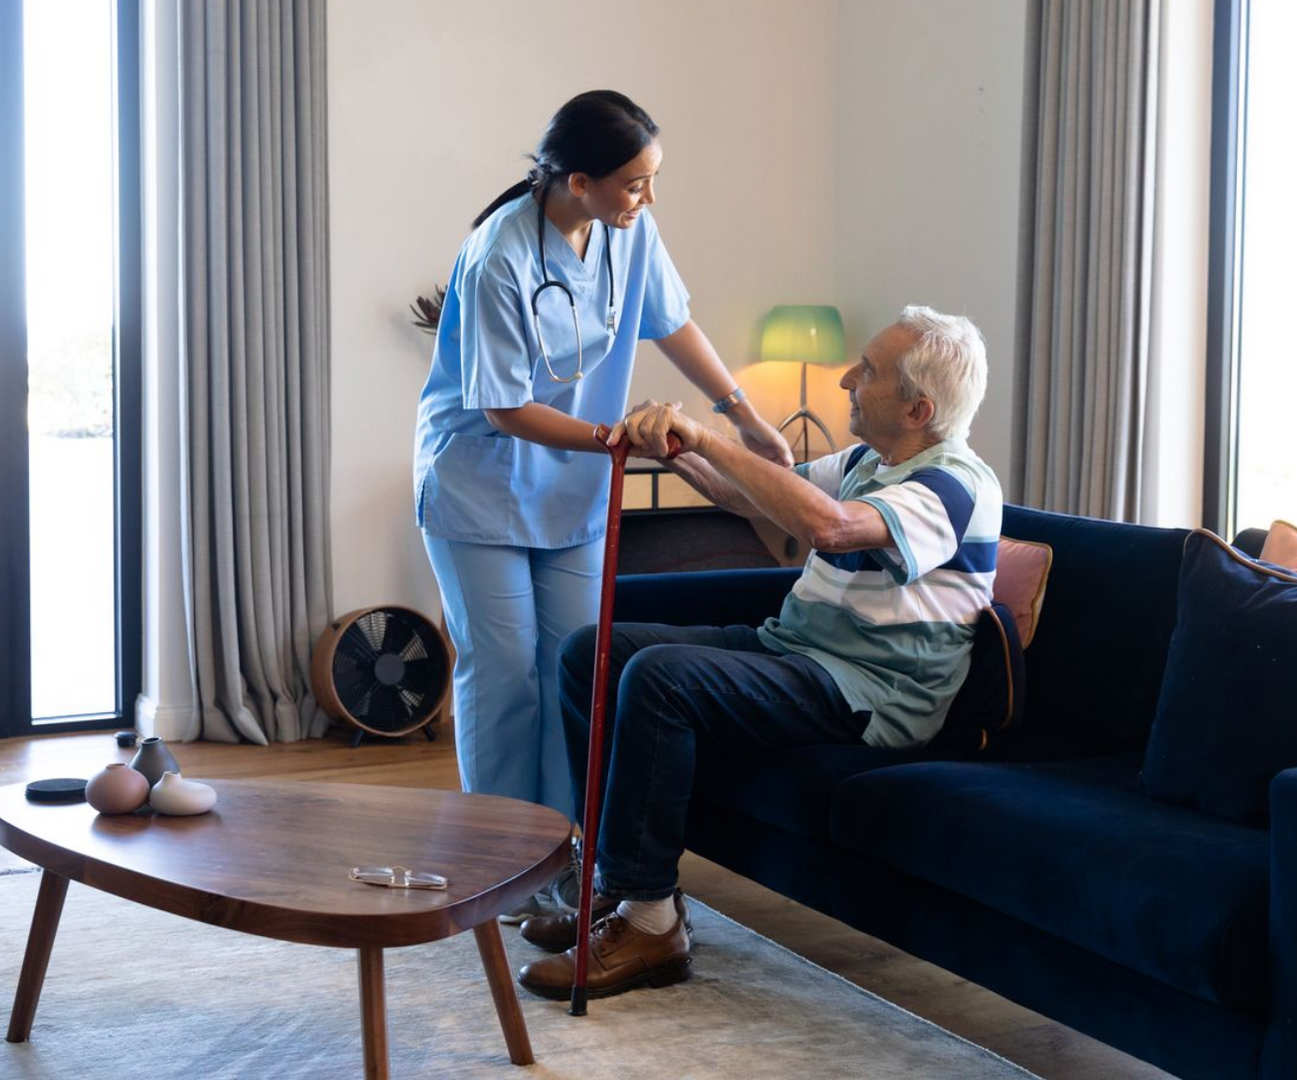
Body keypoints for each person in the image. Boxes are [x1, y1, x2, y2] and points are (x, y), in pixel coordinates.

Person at [514, 305, 1000, 1000]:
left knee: (662, 678)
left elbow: (828, 528)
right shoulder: (871, 461)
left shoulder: (952, 485)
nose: (847, 383)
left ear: (918, 408)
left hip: (871, 693)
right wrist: (676, 451)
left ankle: (649, 921)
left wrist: (710, 438)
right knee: (592, 652)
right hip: (801, 655)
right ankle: (612, 890)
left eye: (868, 373)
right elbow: (759, 499)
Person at [413, 90, 791, 923]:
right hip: (481, 485)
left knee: (571, 671)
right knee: (504, 677)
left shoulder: (628, 229)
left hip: (575, 488)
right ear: (577, 180)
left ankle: (562, 855)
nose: (646, 198)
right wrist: (622, 438)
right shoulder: (498, 255)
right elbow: (506, 408)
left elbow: (672, 322)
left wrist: (744, 413)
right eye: (632, 183)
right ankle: (502, 866)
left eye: (652, 181)